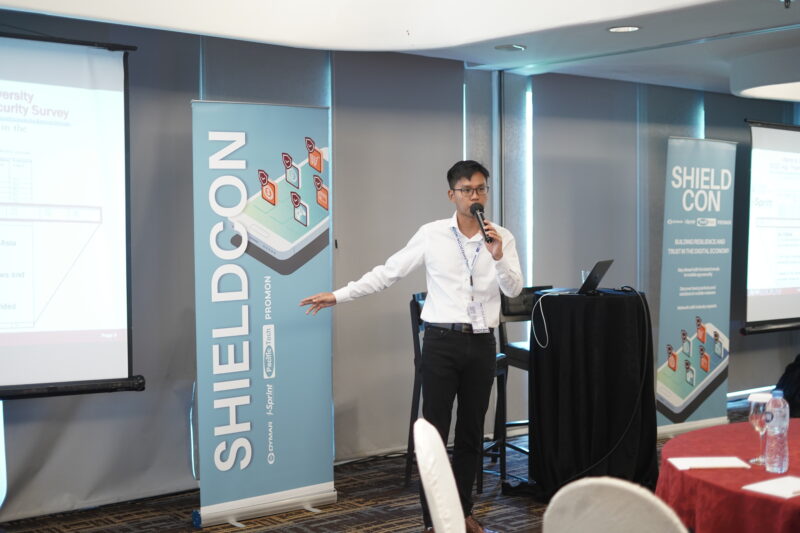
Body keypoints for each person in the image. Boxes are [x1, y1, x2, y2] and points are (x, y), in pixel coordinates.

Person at [300, 160, 523, 533]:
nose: (475, 196)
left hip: (482, 342)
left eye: (481, 189)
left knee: (471, 433)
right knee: (434, 435)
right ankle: (433, 521)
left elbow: (514, 289)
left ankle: (463, 512)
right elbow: (388, 273)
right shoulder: (432, 234)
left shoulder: (501, 237)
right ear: (451, 195)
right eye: (467, 190)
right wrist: (339, 295)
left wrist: (497, 256)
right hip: (441, 342)